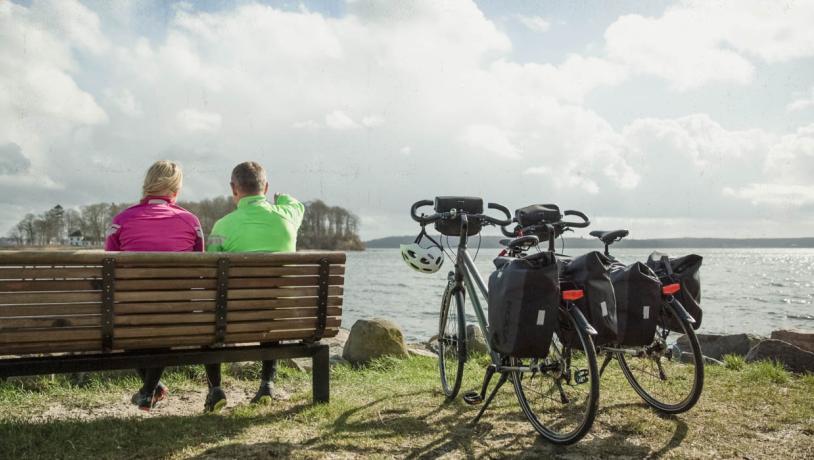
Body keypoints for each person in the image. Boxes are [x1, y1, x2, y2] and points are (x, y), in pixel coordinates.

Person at [203, 161, 305, 412]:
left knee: (211, 315)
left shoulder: (222, 226)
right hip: (280, 317)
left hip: (233, 317)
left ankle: (216, 389)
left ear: (233, 189)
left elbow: (211, 268)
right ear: (266, 187)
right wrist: (282, 198)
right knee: (270, 307)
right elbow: (297, 205)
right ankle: (267, 384)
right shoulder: (287, 218)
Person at [105, 160, 204, 411]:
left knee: (126, 323)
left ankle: (150, 390)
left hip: (130, 310)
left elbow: (110, 267)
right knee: (165, 321)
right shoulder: (190, 221)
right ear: (176, 190)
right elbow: (199, 267)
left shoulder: (121, 220)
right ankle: (151, 389)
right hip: (177, 310)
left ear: (146, 186)